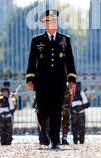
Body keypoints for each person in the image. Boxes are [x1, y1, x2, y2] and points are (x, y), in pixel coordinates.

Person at [25, 9, 77, 150]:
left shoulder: (65, 40)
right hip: (41, 83)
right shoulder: (37, 40)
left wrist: (72, 80)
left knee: (56, 111)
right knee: (42, 111)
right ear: (44, 24)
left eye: (54, 21)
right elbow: (32, 61)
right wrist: (29, 79)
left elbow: (70, 61)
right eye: (49, 21)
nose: (53, 23)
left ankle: (54, 140)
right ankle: (43, 132)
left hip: (59, 83)